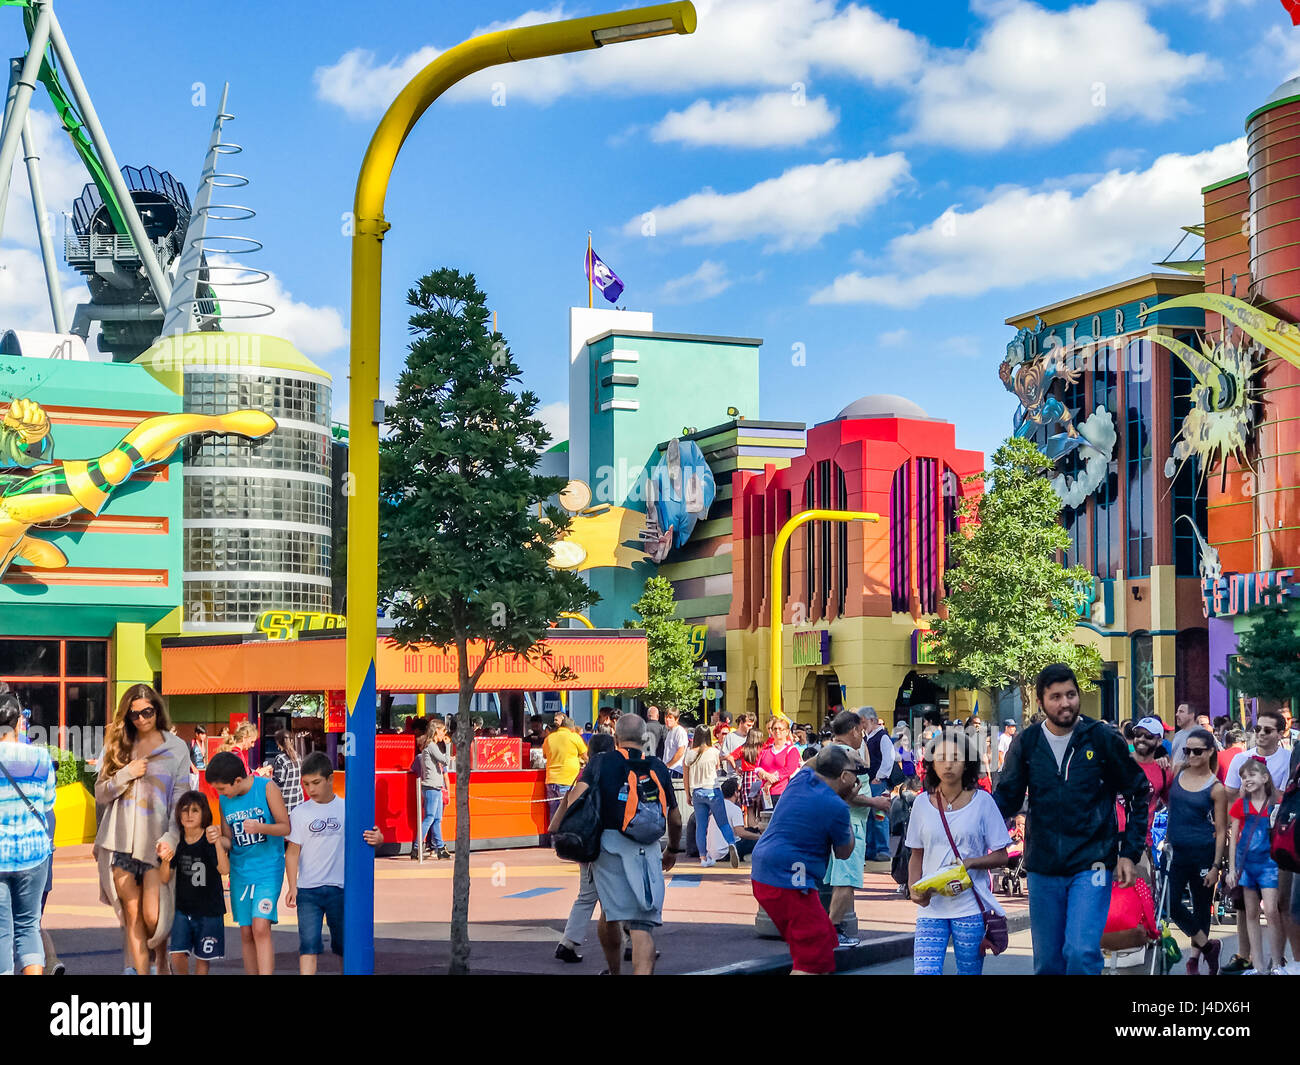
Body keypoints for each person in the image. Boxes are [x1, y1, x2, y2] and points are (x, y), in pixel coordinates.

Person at [993, 663, 1150, 975]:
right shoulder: (1027, 743)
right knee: (1048, 962)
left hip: (1092, 863)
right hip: (1042, 865)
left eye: (1071, 694)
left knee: (1080, 952)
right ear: (1041, 702)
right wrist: (970, 814)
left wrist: (1129, 853)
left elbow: (1138, 791)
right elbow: (1006, 799)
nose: (1065, 702)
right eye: (1055, 697)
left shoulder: (1102, 739)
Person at [552, 715, 681, 975]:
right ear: (645, 738)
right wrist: (672, 850)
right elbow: (676, 819)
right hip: (649, 847)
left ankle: (614, 971)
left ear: (616, 738)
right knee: (642, 926)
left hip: (609, 847)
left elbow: (577, 798)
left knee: (611, 913)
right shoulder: (657, 766)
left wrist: (564, 828)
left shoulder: (600, 763)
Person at [94, 683, 191, 975]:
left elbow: (181, 797)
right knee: (131, 914)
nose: (141, 719)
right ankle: (143, 971)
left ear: (157, 710)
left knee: (153, 915)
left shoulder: (176, 748)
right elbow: (100, 792)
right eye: (134, 715)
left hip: (156, 841)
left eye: (147, 712)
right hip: (120, 840)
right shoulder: (119, 744)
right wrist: (126, 772)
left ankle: (160, 957)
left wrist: (173, 836)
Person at [907, 728, 1011, 975]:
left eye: (956, 758)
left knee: (969, 972)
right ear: (931, 764)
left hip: (970, 907)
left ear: (967, 764)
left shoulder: (983, 802)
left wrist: (971, 862)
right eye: (941, 758)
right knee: (925, 972)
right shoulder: (922, 804)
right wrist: (913, 889)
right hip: (931, 906)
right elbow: (916, 854)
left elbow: (1002, 855)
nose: (948, 765)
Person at [749, 745, 861, 975]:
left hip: (764, 871)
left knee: (824, 938)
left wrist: (835, 753)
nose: (856, 778)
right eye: (854, 773)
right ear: (844, 776)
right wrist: (847, 805)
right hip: (790, 880)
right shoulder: (836, 806)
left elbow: (814, 763)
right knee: (814, 957)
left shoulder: (802, 778)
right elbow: (844, 852)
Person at [285, 752, 383, 974]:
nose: (310, 789)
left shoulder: (346, 809)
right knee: (308, 946)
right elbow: (292, 852)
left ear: (330, 779)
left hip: (340, 888)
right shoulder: (300, 812)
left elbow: (371, 834)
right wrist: (292, 886)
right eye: (307, 784)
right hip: (308, 890)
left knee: (343, 945)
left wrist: (380, 838)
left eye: (316, 783)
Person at [1220, 708, 1295, 975]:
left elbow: (1285, 799)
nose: (1260, 734)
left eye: (1267, 730)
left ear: (1280, 733)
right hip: (1246, 846)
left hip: (1277, 844)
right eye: (1257, 729)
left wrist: (1266, 783)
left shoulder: (1287, 759)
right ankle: (1252, 960)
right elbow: (1229, 796)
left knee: (1276, 907)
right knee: (1246, 907)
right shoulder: (1242, 757)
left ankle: (1280, 962)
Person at [207, 749, 290, 975]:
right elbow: (230, 841)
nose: (220, 793)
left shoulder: (266, 788)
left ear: (236, 780)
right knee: (246, 931)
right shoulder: (225, 800)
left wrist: (260, 827)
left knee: (260, 926)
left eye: (222, 788)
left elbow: (285, 827)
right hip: (240, 870)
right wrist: (216, 838)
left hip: (267, 867)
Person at [825, 710, 893, 944]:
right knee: (846, 880)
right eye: (861, 732)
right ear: (854, 730)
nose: (862, 737)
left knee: (840, 879)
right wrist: (876, 801)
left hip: (839, 823)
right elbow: (849, 795)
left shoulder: (831, 752)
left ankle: (832, 927)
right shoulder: (845, 756)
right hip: (850, 824)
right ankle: (832, 930)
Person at [1164, 728, 1228, 975]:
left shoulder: (1216, 787)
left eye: (1197, 751)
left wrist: (1215, 866)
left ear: (1210, 751)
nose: (1191, 755)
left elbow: (1221, 830)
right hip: (1175, 852)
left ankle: (1194, 960)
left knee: (1202, 907)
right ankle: (1208, 947)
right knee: (1171, 903)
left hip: (1202, 852)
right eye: (1187, 750)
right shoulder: (1178, 770)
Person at [0, 689, 55, 974]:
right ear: (17, 722)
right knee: (28, 926)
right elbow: (47, 804)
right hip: (34, 853)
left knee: (1, 931)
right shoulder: (40, 757)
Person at [553, 733, 617, 964]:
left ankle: (568, 942)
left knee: (587, 895)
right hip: (604, 843)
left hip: (583, 841)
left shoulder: (583, 773)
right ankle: (632, 941)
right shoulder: (609, 773)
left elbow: (572, 804)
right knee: (620, 893)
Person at [1227, 757, 1285, 975]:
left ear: (1265, 777)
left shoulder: (1275, 803)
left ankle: (1278, 962)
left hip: (1270, 865)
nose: (1246, 779)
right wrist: (1232, 869)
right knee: (1251, 913)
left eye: (1251, 774)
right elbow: (1233, 838)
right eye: (1243, 777)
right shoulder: (1240, 805)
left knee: (1271, 911)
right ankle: (1259, 966)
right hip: (1246, 866)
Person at [160, 790, 228, 975]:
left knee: (203, 958)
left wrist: (218, 844)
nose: (189, 815)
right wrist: (166, 859)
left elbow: (224, 869)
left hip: (209, 910)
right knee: (177, 954)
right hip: (183, 910)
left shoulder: (208, 839)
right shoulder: (177, 841)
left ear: (204, 813)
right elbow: (164, 878)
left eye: (195, 810)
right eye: (185, 810)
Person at [683, 726, 740, 869]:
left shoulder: (689, 754)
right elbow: (717, 767)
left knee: (701, 826)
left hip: (697, 791)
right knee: (723, 822)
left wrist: (687, 794)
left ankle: (703, 857)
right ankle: (731, 843)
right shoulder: (714, 752)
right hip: (713, 790)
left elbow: (686, 776)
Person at [1129, 717, 1172, 858]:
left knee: (1142, 880)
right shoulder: (1119, 763)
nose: (1141, 739)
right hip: (1109, 843)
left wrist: (1168, 837)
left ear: (1159, 741)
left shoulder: (1163, 771)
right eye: (1138, 734)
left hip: (1140, 843)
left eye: (1148, 736)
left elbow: (1172, 806)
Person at [414, 721, 451, 860]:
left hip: (434, 786)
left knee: (436, 819)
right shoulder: (431, 746)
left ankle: (440, 847)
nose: (444, 734)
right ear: (436, 731)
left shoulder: (429, 746)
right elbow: (445, 760)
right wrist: (448, 746)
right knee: (430, 818)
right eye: (442, 731)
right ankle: (417, 846)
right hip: (432, 786)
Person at [861, 709, 895, 861]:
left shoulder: (882, 737)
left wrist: (880, 776)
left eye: (864, 722)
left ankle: (883, 849)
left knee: (880, 815)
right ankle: (871, 848)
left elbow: (889, 758)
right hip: (871, 781)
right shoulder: (869, 737)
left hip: (878, 782)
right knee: (870, 815)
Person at [542, 713, 588, 822]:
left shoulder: (549, 738)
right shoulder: (574, 737)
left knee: (554, 812)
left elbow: (544, 755)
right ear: (571, 728)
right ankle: (565, 837)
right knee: (567, 813)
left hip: (551, 780)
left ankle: (554, 837)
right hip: (567, 779)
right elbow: (586, 756)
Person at [705, 777, 763, 863]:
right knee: (760, 842)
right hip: (726, 852)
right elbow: (741, 833)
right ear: (735, 793)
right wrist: (759, 837)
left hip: (712, 853)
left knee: (751, 830)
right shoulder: (735, 809)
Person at [757, 716, 800, 808]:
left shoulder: (791, 750)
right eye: (775, 729)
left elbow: (789, 769)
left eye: (781, 729)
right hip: (766, 793)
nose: (777, 731)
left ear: (787, 731)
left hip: (783, 793)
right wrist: (765, 775)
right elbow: (757, 768)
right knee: (766, 820)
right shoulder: (765, 750)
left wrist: (771, 781)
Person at [728, 728, 765, 823]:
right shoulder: (764, 748)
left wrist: (736, 768)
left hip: (748, 776)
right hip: (760, 775)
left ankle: (751, 830)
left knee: (749, 808)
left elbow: (730, 757)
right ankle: (760, 829)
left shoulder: (744, 748)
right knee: (761, 805)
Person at [269, 728, 303, 813]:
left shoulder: (280, 758)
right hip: (298, 800)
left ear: (278, 743)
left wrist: (268, 777)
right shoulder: (298, 756)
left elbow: (279, 780)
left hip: (285, 802)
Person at [661, 708, 689, 779]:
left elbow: (681, 751)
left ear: (676, 719)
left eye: (670, 718)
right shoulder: (670, 731)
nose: (667, 720)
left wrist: (668, 765)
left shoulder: (680, 731)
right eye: (666, 717)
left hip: (675, 769)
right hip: (668, 769)